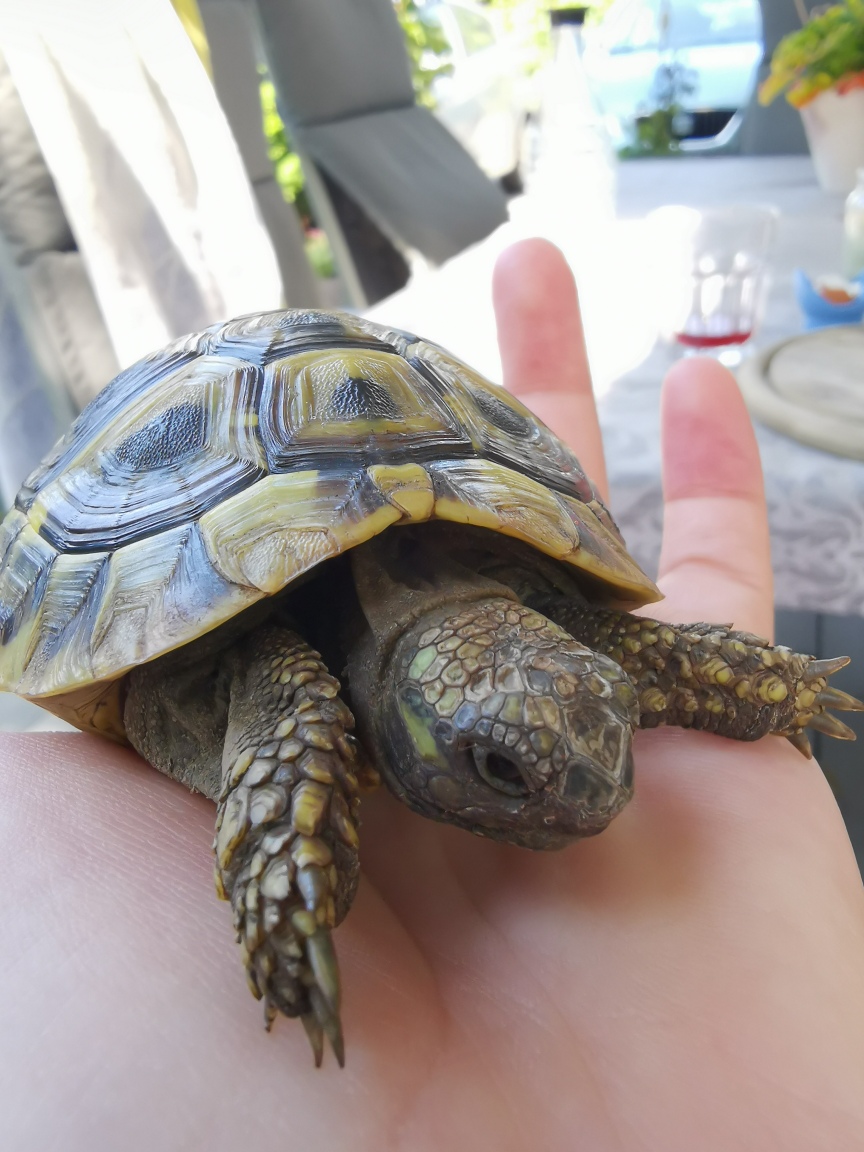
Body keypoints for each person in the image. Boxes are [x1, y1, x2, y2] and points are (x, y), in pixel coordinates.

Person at [2, 239, 863, 1149]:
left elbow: (624, 652)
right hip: (176, 537)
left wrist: (758, 687)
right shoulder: (270, 688)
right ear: (421, 732)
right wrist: (285, 907)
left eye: (603, 704)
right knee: (295, 716)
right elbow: (293, 727)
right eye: (493, 764)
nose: (606, 794)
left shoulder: (547, 634)